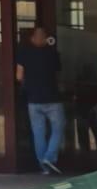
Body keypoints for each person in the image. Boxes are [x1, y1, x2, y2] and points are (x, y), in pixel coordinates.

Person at [15, 26, 64, 174]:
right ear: (45, 38)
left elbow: (18, 76)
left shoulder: (23, 54)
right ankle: (49, 157)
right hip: (52, 98)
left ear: (32, 38)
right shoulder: (52, 53)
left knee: (38, 133)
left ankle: (44, 167)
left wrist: (27, 84)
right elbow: (58, 72)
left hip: (33, 100)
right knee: (58, 128)